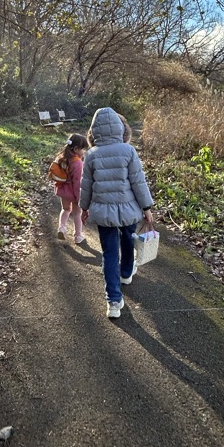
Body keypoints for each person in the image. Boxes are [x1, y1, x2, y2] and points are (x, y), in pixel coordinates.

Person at [79, 108, 154, 319]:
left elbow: (86, 186)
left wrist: (84, 209)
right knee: (129, 240)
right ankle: (127, 273)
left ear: (95, 131)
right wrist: (146, 208)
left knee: (109, 254)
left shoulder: (91, 155)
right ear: (121, 128)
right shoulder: (128, 151)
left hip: (104, 213)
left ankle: (113, 301)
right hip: (129, 209)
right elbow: (138, 182)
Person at [53, 133, 88, 244]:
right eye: (83, 149)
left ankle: (61, 228)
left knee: (65, 209)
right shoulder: (77, 163)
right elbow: (77, 182)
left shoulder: (61, 157)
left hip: (63, 191)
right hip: (73, 193)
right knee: (77, 213)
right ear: (76, 149)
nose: (84, 152)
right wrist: (79, 198)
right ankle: (78, 236)